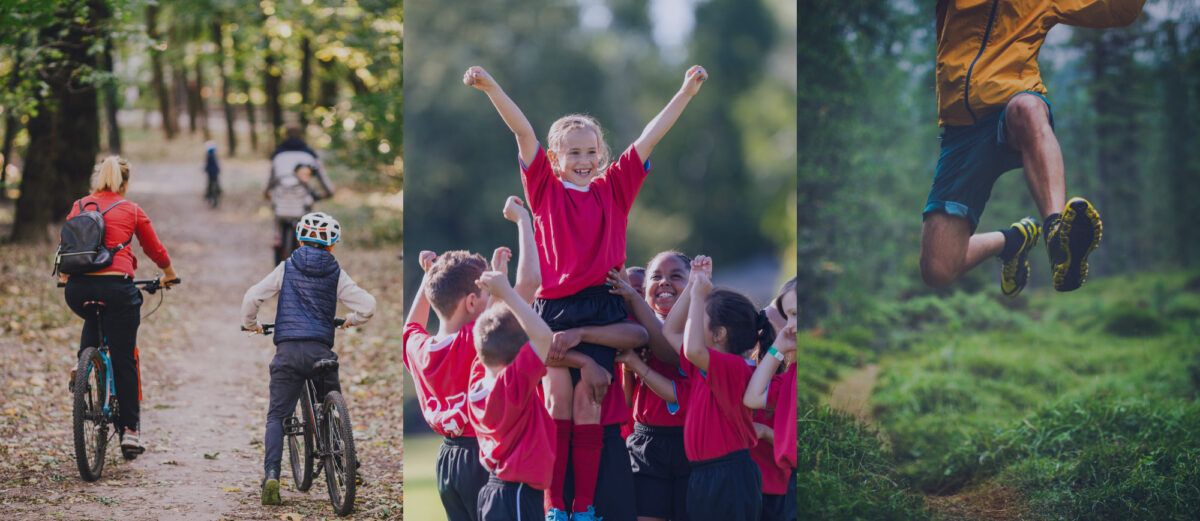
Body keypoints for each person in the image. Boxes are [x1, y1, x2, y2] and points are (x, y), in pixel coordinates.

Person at [464, 63, 705, 521]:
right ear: (554, 159)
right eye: (572, 152)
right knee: (556, 399)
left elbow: (651, 136)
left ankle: (584, 505)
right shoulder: (544, 190)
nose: (582, 160)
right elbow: (522, 130)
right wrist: (490, 86)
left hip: (601, 304)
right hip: (552, 309)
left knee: (586, 405)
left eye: (590, 152)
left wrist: (686, 93)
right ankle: (556, 506)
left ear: (601, 155)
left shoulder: (615, 187)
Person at [920, 0, 1145, 296]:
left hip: (1011, 110)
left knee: (1027, 106)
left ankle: (1056, 231)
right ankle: (1012, 240)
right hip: (960, 134)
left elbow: (1119, 10)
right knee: (937, 269)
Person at [403, 196, 540, 521]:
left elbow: (411, 325)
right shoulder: (476, 339)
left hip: (448, 462)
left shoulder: (417, 348)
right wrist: (524, 222)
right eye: (486, 290)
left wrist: (427, 278)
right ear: (470, 303)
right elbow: (529, 285)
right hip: (485, 453)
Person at [240, 211, 376, 506]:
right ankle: (346, 465)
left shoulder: (286, 267)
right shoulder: (336, 273)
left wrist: (252, 324)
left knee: (277, 415)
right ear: (332, 245)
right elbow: (368, 305)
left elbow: (252, 296)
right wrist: (352, 319)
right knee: (332, 402)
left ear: (300, 240)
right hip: (320, 352)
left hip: (287, 353)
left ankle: (272, 475)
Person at [62, 156, 180, 457]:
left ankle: (82, 363)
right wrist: (168, 275)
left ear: (97, 178)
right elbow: (155, 249)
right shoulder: (131, 209)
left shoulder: (79, 205)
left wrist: (66, 277)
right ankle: (130, 431)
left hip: (77, 289)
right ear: (125, 183)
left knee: (94, 313)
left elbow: (68, 247)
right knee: (125, 357)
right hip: (117, 287)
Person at [665, 256, 776, 521]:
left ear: (720, 334)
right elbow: (670, 331)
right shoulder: (704, 366)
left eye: (699, 316)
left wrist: (700, 296)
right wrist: (693, 286)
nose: (693, 320)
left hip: (729, 476)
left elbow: (692, 348)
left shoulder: (734, 368)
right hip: (706, 474)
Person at [608, 252, 695, 521]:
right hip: (646, 442)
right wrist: (628, 366)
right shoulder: (633, 329)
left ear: (693, 285)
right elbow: (625, 402)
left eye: (676, 276)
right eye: (656, 276)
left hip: (690, 443)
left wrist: (640, 366)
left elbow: (671, 358)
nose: (665, 282)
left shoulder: (697, 330)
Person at [467, 270, 557, 521]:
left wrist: (498, 296)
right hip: (516, 494)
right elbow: (543, 336)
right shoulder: (511, 386)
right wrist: (505, 292)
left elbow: (487, 335)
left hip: (495, 492)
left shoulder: (475, 384)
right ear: (519, 358)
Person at [744, 278, 797, 521]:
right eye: (790, 316)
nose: (793, 326)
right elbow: (754, 397)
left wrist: (765, 432)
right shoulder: (789, 376)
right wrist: (779, 348)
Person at [266, 124, 334, 265]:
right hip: (302, 203)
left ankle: (277, 241)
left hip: (281, 202)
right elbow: (323, 178)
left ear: (285, 136)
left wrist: (266, 192)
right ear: (302, 137)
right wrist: (328, 192)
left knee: (278, 221)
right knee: (308, 228)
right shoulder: (310, 155)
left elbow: (268, 181)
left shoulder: (277, 155)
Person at [203, 141, 221, 208]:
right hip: (212, 174)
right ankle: (210, 196)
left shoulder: (210, 157)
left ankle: (211, 196)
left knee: (212, 185)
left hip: (212, 173)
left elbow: (208, 166)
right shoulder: (212, 157)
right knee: (211, 185)